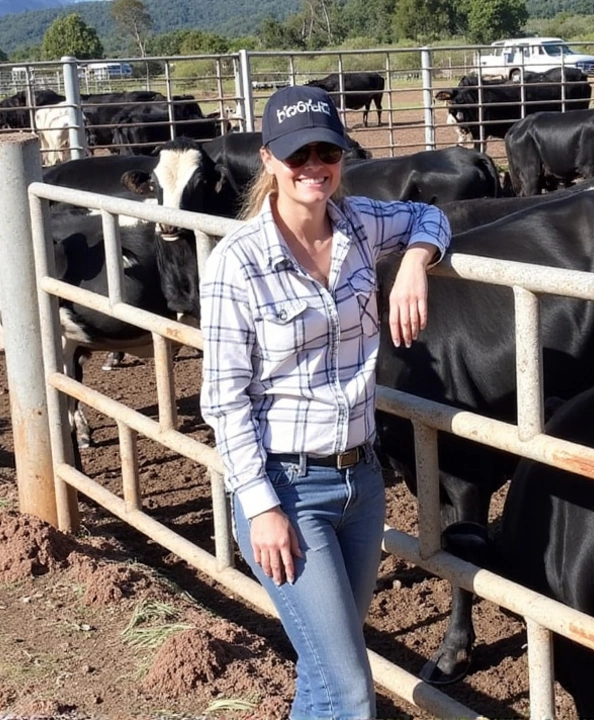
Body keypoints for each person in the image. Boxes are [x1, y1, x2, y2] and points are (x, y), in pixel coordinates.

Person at [199, 85, 450, 719]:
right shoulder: (238, 263)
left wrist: (417, 262)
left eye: (327, 151)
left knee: (324, 670)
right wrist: (261, 509)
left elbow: (431, 216)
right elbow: (225, 400)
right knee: (350, 689)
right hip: (287, 488)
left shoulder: (361, 224)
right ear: (268, 160)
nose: (314, 165)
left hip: (361, 482)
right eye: (297, 153)